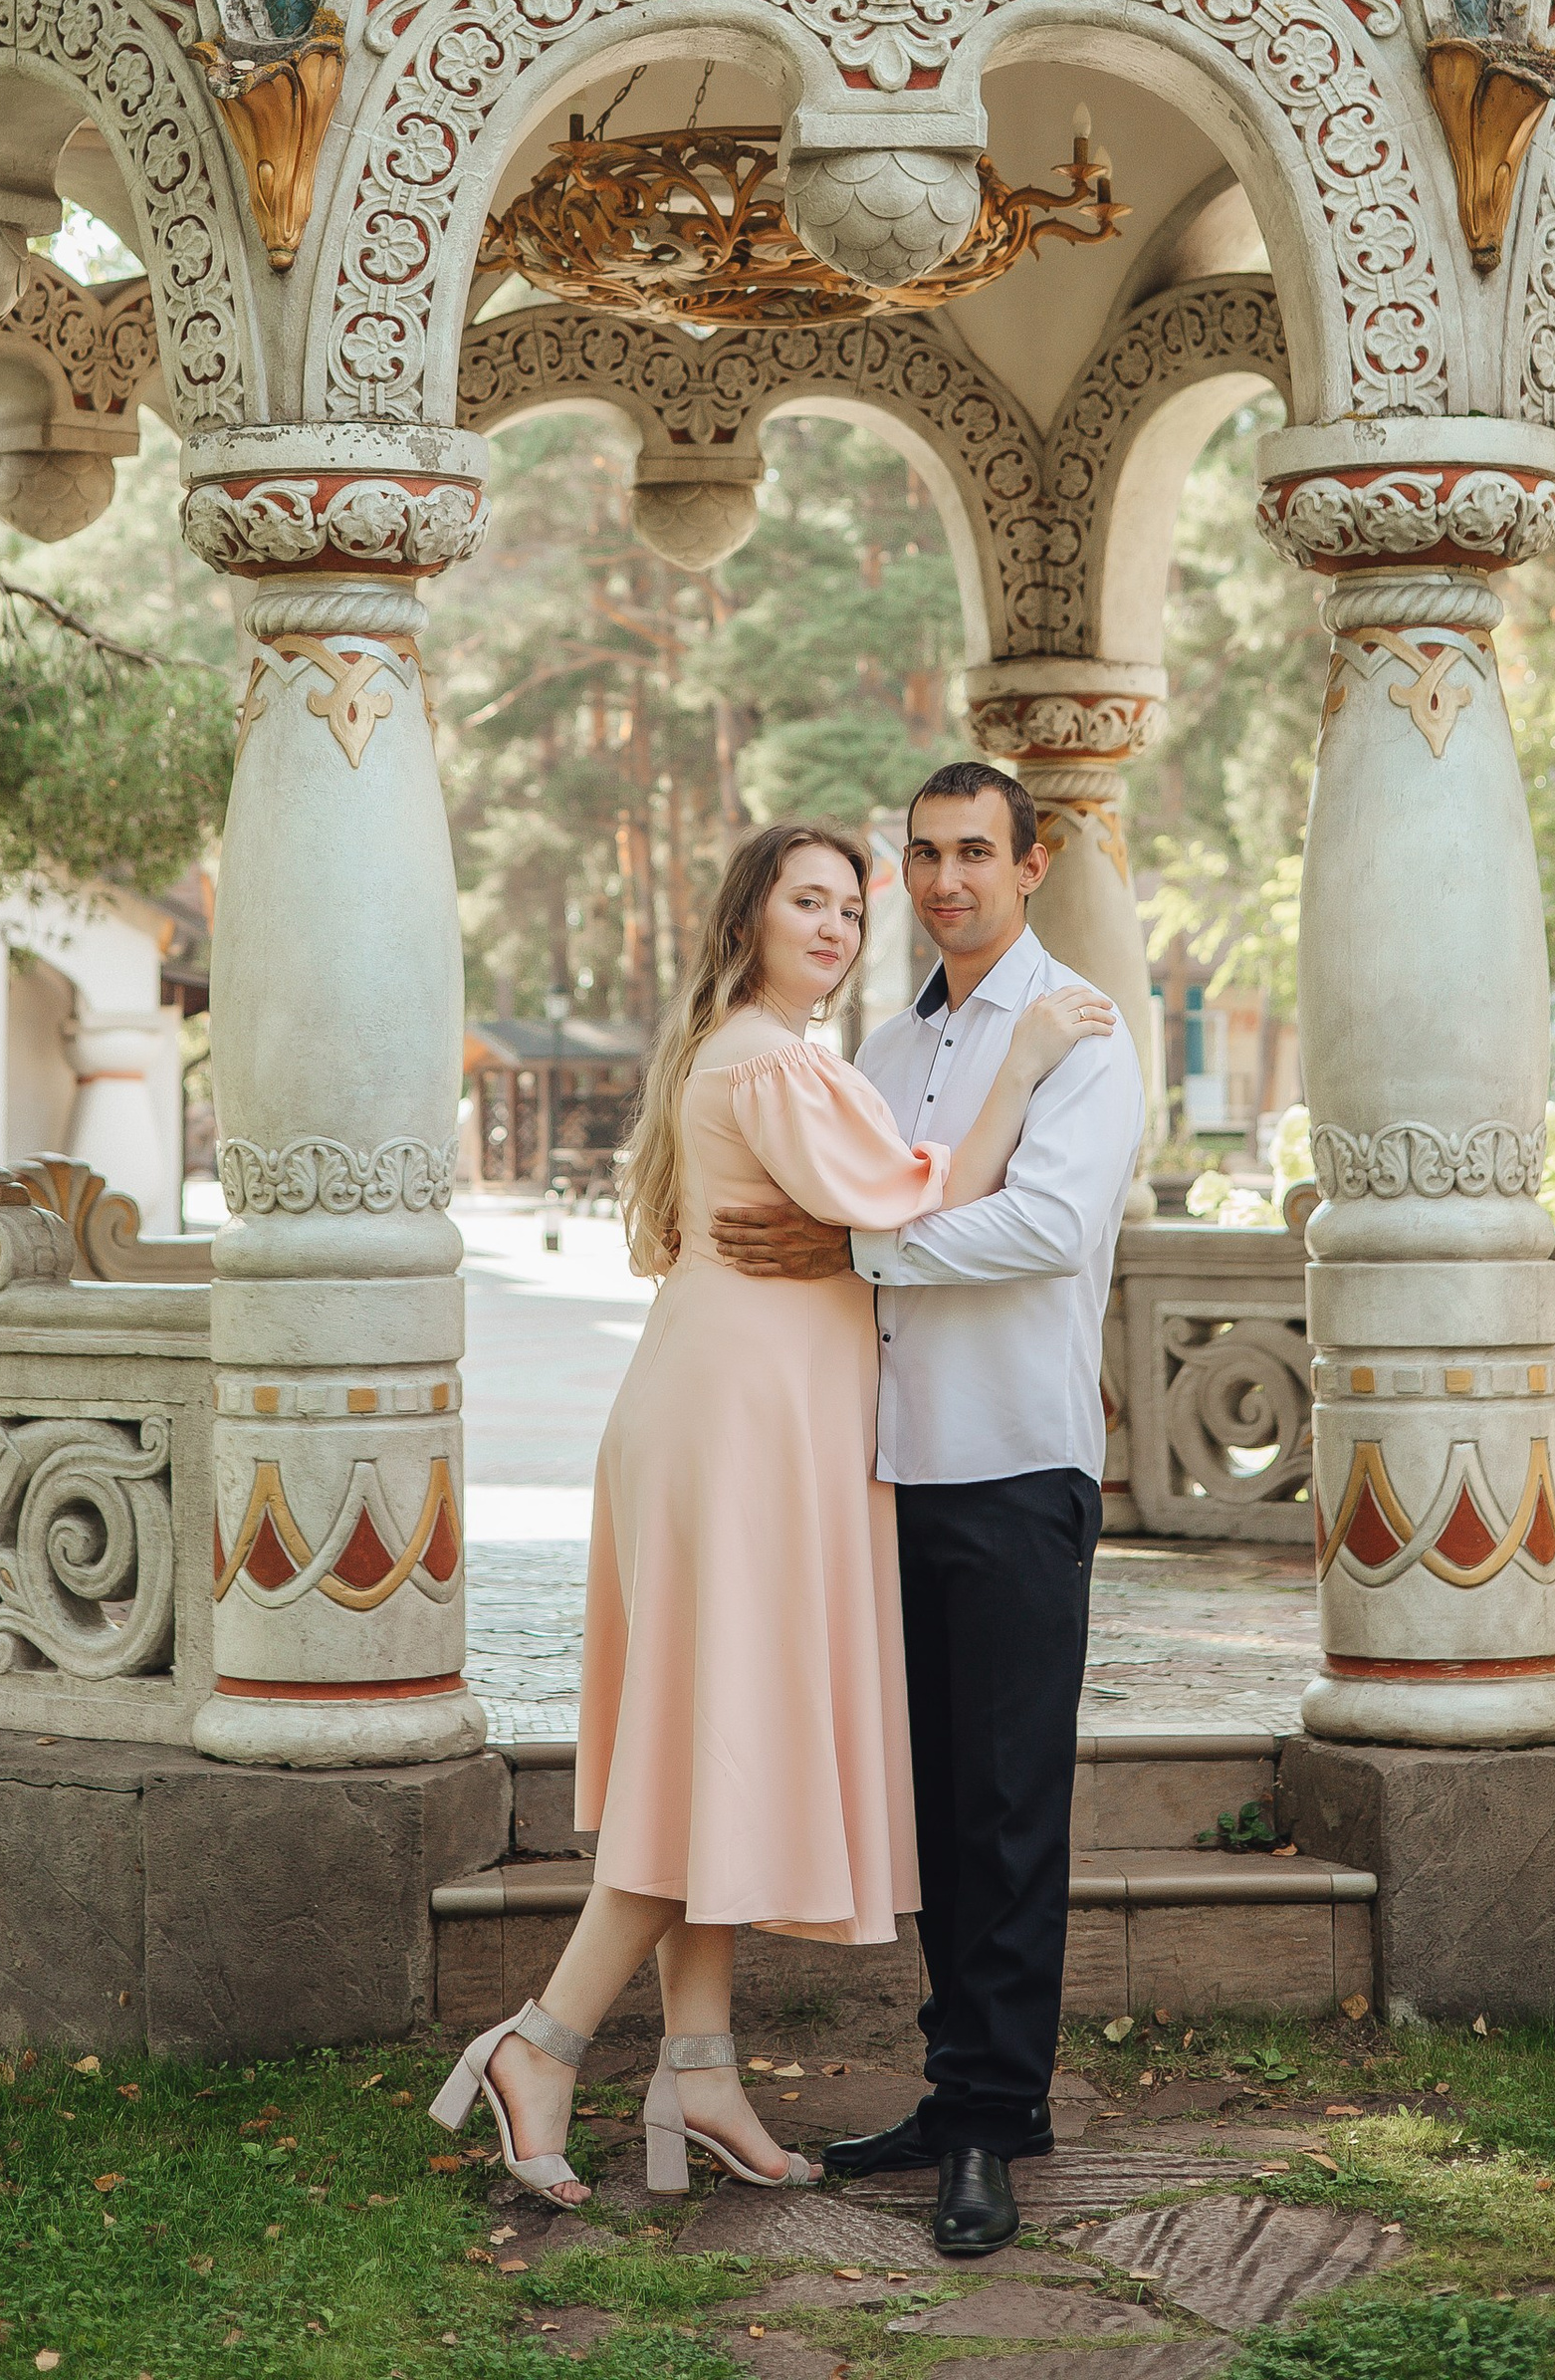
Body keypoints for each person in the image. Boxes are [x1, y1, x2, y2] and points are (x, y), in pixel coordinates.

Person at [430, 817, 1108, 2210]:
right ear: (747, 921)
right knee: (707, 1758)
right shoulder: (781, 1061)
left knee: (708, 1742)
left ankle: (699, 2067)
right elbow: (925, 1197)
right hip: (740, 1436)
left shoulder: (753, 1055)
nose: (837, 930)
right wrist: (1028, 1058)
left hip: (730, 1419)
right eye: (809, 903)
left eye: (848, 913)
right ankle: (542, 2046)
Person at [712, 762, 1141, 2260]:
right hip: (888, 1472)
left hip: (1017, 1466)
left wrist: (857, 1253)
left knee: (1013, 1810)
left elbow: (1040, 1225)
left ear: (1033, 861)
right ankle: (956, 2088)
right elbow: (865, 1188)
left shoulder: (1084, 1030)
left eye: (976, 852)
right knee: (940, 1813)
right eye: (926, 855)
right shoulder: (884, 1049)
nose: (947, 878)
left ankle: (990, 2131)